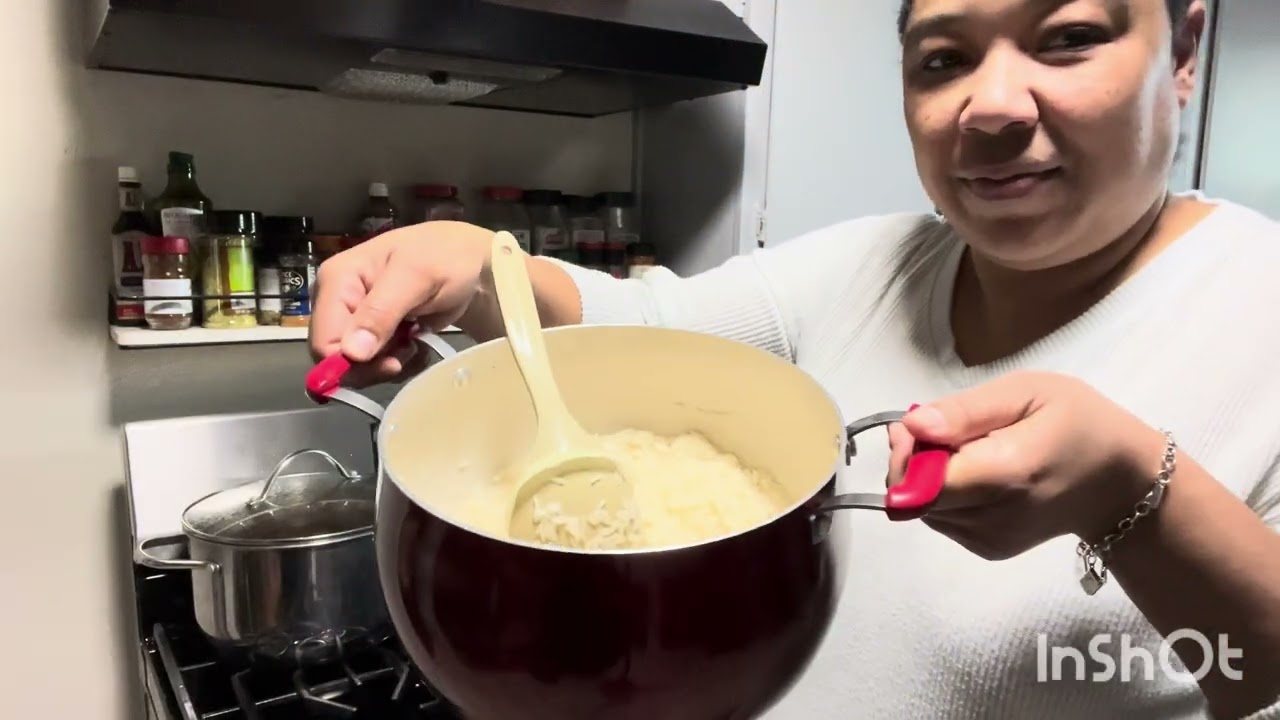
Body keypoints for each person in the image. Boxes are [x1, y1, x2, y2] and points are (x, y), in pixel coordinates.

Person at [309, 0, 1280, 717]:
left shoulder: (1256, 314)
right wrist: (479, 267)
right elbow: (642, 331)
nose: (989, 107)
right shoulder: (872, 264)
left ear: (1181, 51)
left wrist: (1131, 500)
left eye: (1067, 37)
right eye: (942, 59)